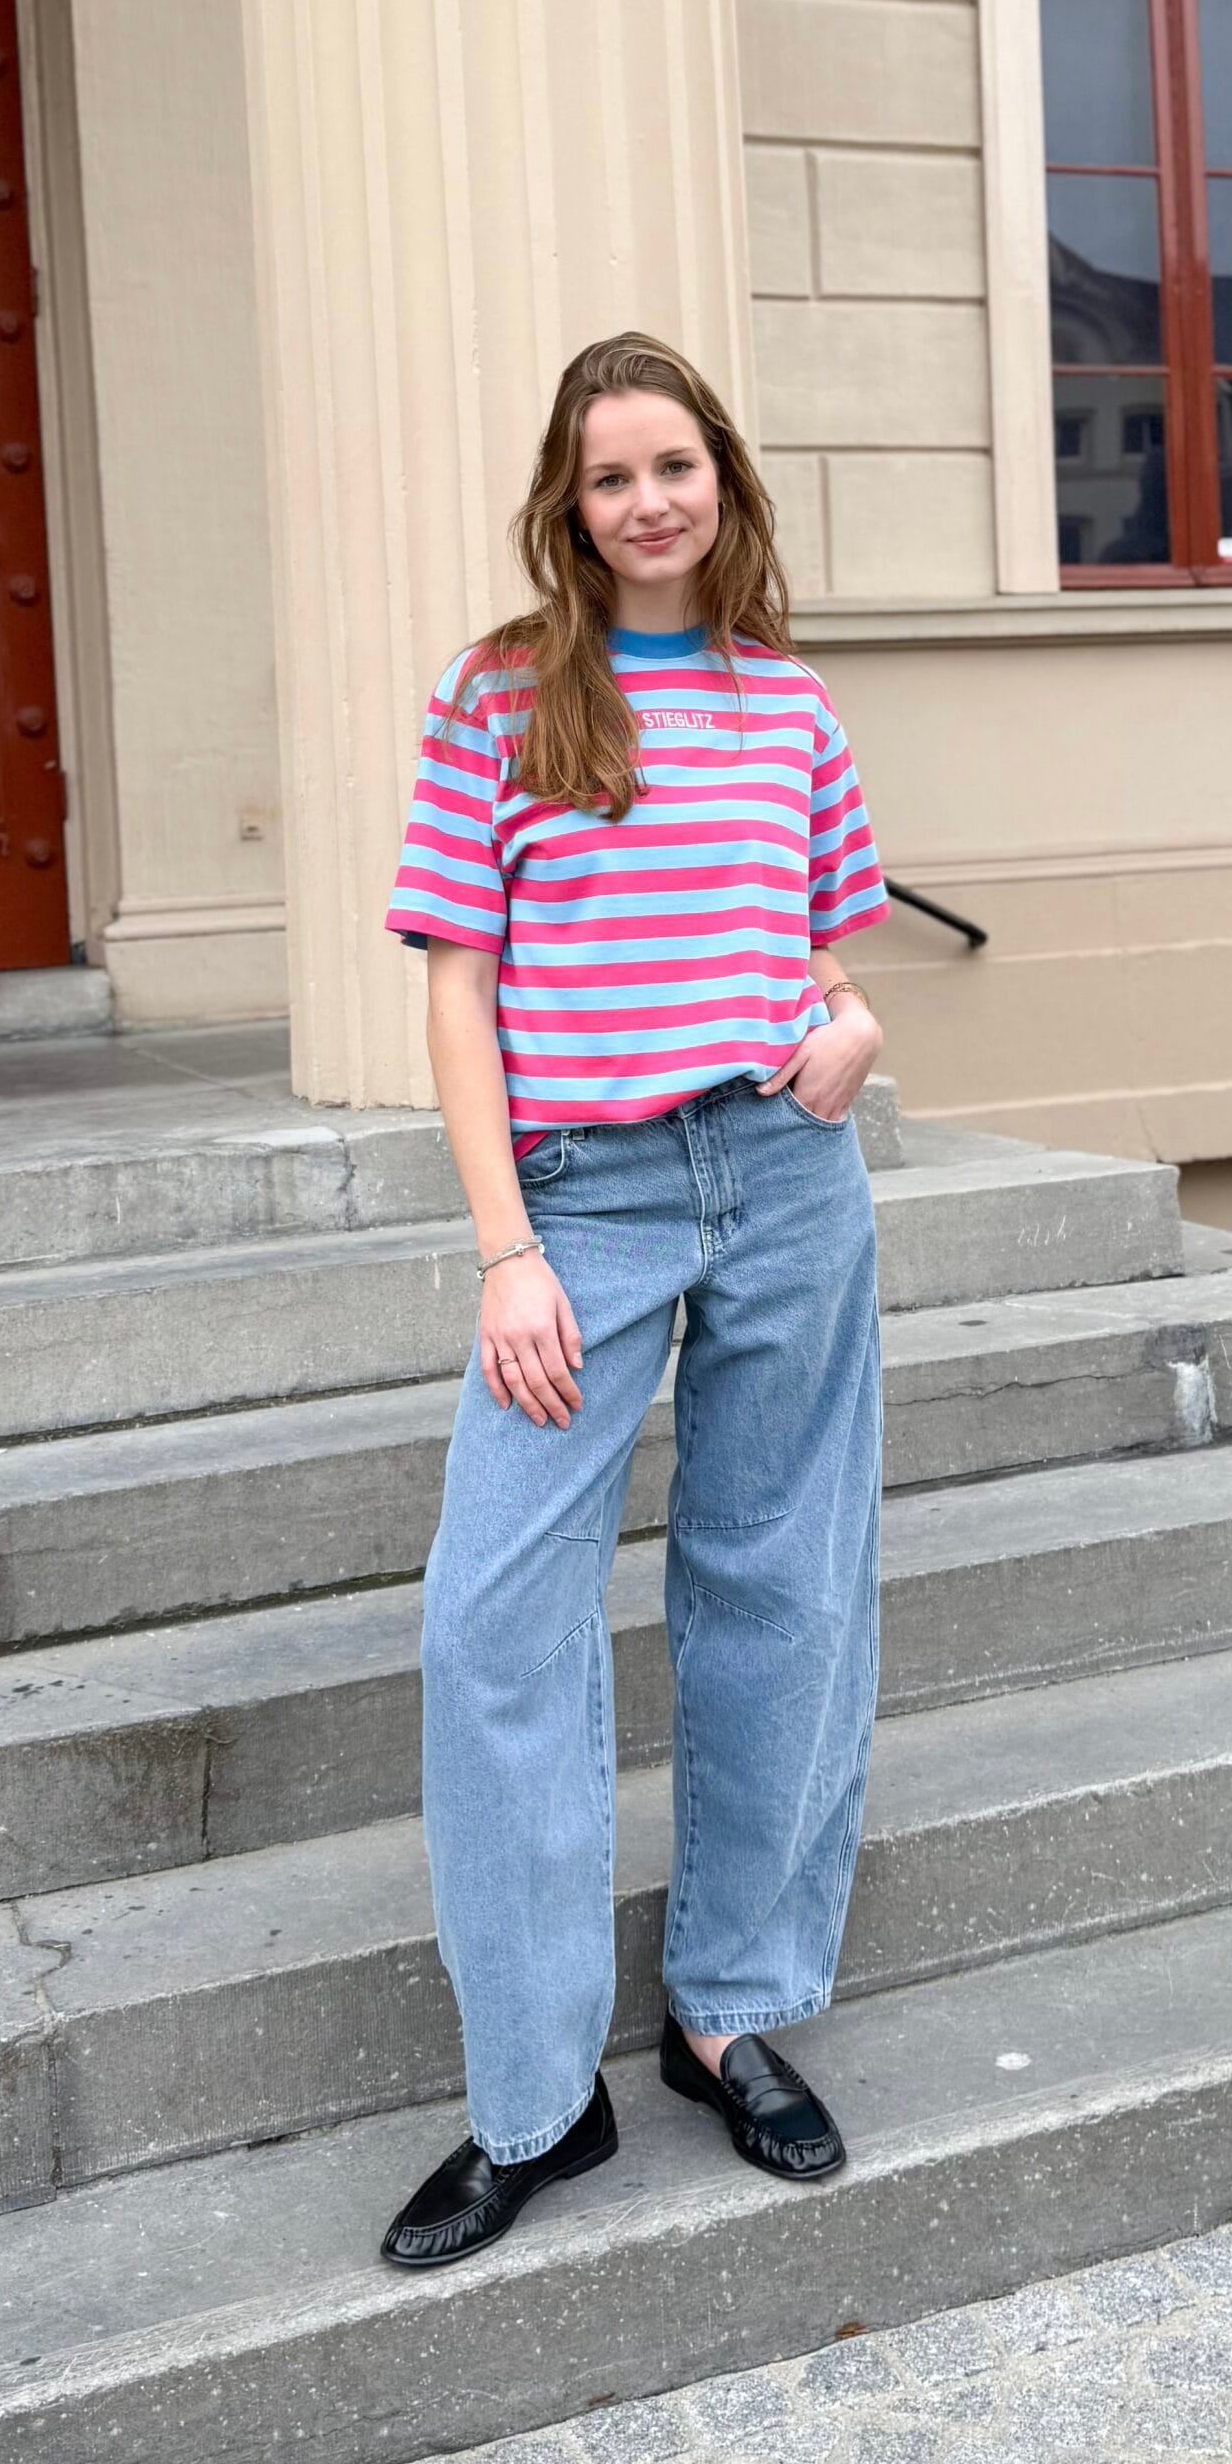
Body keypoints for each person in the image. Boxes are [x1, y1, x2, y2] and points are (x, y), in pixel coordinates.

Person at [376, 331, 890, 2268]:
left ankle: (727, 2011)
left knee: (783, 1584)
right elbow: (456, 985)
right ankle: (536, 2094)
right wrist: (506, 1248)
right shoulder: (499, 694)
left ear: (721, 480)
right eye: (610, 477)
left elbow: (816, 951)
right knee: (490, 1620)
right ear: (569, 506)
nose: (647, 500)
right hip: (581, 1202)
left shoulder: (786, 701)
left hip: (783, 1176)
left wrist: (851, 1027)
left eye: (674, 464)